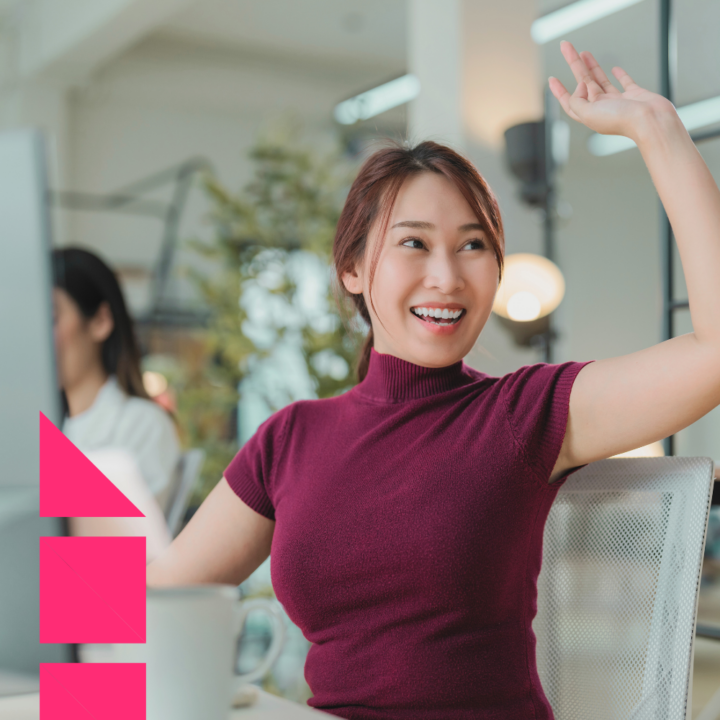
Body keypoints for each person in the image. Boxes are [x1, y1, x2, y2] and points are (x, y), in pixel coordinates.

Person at [147, 41, 720, 719]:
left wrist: (659, 134)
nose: (447, 277)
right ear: (353, 271)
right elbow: (159, 601)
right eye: (414, 243)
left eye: (473, 245)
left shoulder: (524, 412)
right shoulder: (291, 439)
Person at [52, 247, 181, 512]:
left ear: (100, 320)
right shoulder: (44, 429)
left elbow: (131, 548)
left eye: (52, 318)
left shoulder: (143, 425)